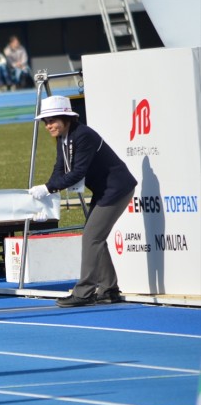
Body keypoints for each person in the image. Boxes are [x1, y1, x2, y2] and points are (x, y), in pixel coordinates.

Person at [29, 95, 137, 308]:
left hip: (117, 188)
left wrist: (49, 188)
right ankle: (108, 289)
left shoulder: (83, 135)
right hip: (105, 189)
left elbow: (78, 172)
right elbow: (59, 168)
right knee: (95, 236)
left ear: (66, 118)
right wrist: (47, 188)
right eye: (46, 122)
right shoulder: (64, 137)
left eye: (52, 120)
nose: (48, 125)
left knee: (91, 236)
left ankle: (85, 291)